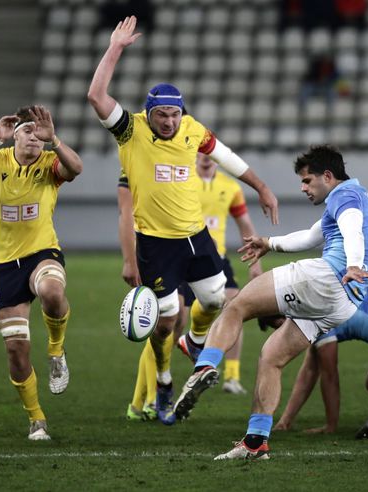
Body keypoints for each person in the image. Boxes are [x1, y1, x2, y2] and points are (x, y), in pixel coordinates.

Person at [88, 16, 279, 425]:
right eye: (164, 116)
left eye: (175, 115)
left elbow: (227, 157)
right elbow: (96, 96)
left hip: (196, 238)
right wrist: (116, 47)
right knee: (166, 320)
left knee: (214, 301)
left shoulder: (193, 130)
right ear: (150, 114)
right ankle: (163, 383)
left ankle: (193, 345)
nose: (170, 122)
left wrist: (261, 187)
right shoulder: (130, 131)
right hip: (155, 243)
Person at [173, 144, 368, 460]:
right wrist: (269, 243)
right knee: (271, 357)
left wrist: (353, 263)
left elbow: (353, 228)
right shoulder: (353, 196)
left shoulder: (345, 197)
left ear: (328, 176)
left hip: (329, 277)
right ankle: (256, 443)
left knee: (238, 304)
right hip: (345, 301)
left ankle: (203, 361)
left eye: (307, 181)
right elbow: (313, 237)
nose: (303, 188)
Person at [0, 105, 83, 440]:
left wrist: (55, 140)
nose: (35, 138)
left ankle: (56, 351)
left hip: (42, 252)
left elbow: (76, 168)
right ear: (15, 134)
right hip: (3, 264)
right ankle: (36, 418)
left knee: (53, 292)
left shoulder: (49, 164)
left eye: (40, 133)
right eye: (29, 131)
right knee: (16, 350)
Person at [122, 153, 265, 421]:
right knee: (168, 323)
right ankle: (143, 400)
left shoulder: (230, 187)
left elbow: (243, 221)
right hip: (173, 257)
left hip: (211, 258)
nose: (204, 157)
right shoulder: (177, 181)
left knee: (233, 308)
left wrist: (254, 259)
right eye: (198, 152)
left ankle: (231, 374)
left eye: (208, 152)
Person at [273, 287, 368, 436]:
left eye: (278, 328)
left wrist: (331, 426)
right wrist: (285, 421)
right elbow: (309, 371)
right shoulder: (318, 296)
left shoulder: (315, 318)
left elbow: (330, 376)